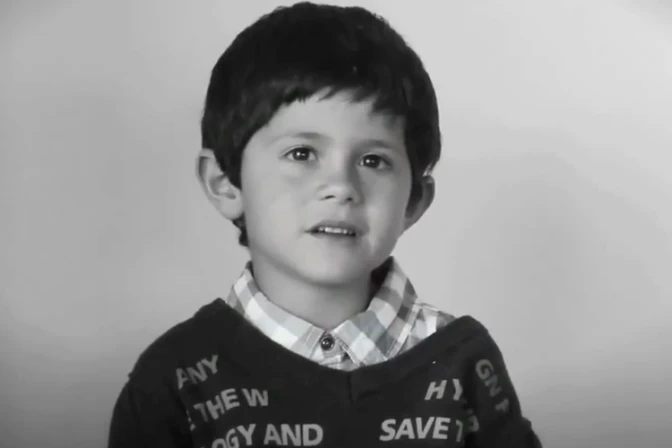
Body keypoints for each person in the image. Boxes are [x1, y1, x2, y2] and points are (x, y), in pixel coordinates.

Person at [107, 2, 542, 447]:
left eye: (373, 160)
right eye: (302, 154)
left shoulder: (464, 361)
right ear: (225, 183)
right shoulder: (174, 380)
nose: (341, 186)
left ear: (414, 201)